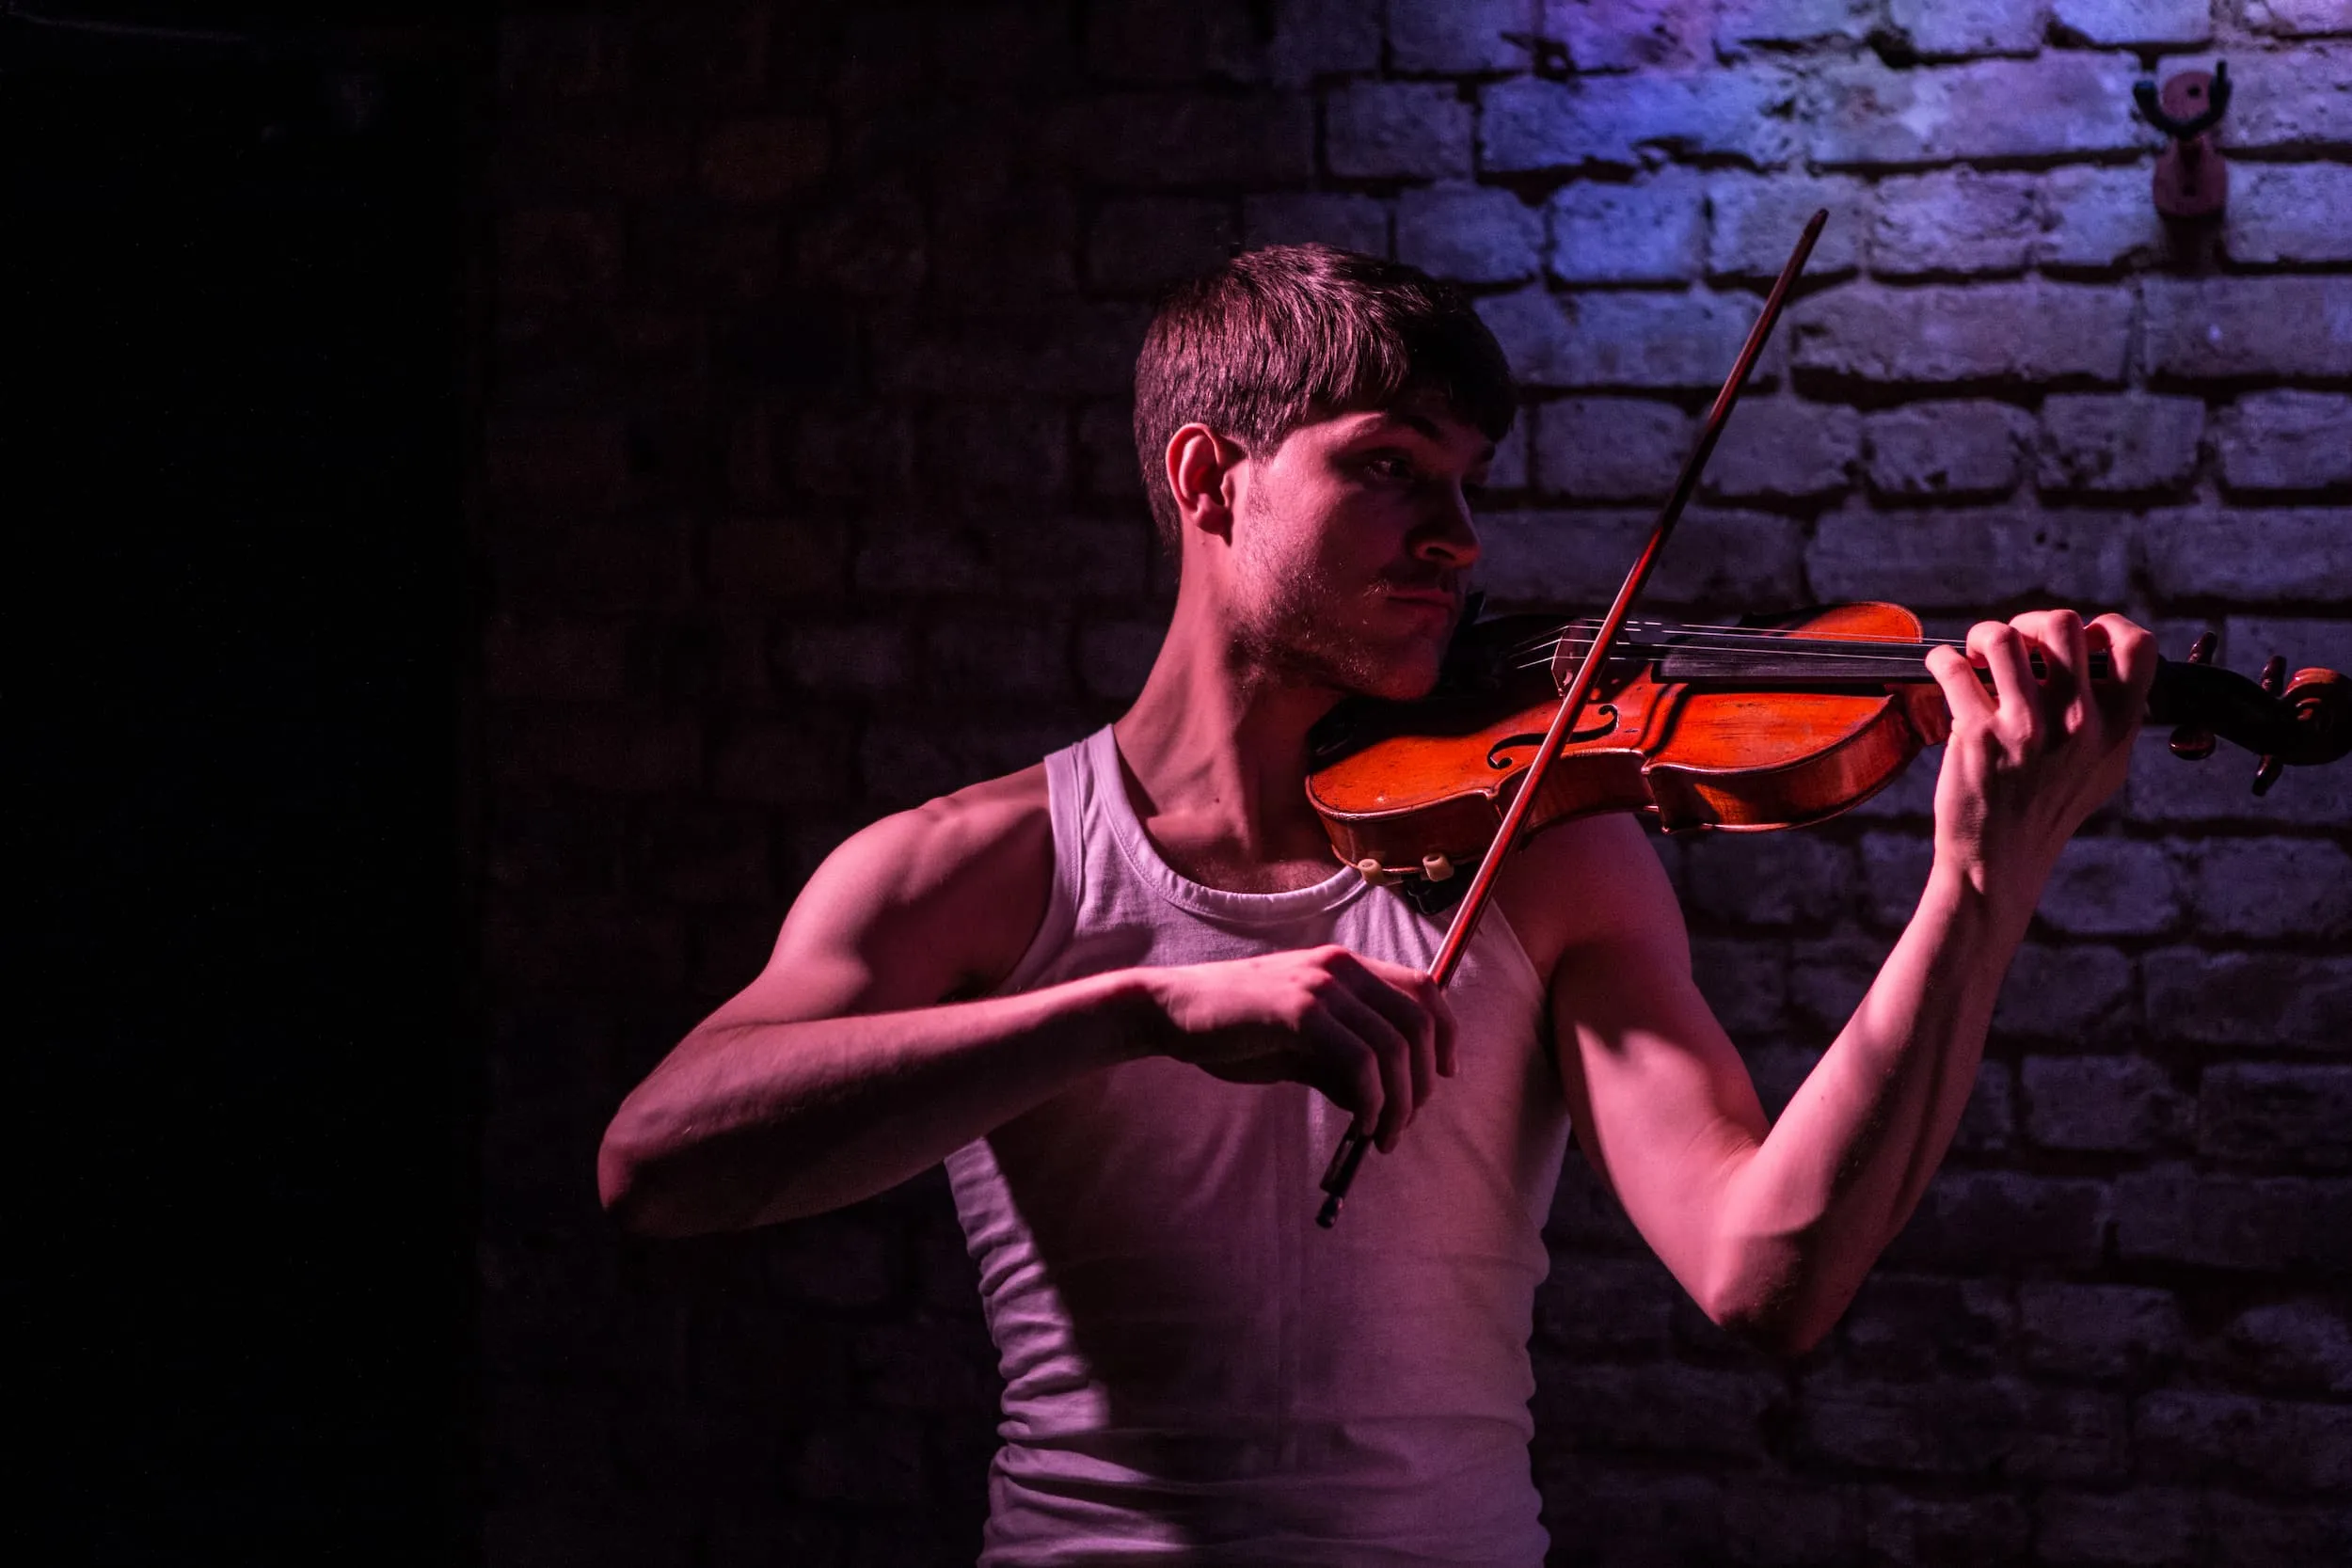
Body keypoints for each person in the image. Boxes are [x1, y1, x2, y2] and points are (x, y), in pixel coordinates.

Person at [596, 245, 2156, 1565]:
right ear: (1212, 479)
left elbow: (1768, 1269)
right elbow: (655, 1163)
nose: (1459, 542)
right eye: (1391, 466)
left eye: (1466, 483)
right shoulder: (982, 864)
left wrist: (1979, 878)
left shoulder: (1552, 848)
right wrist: (1142, 1007)